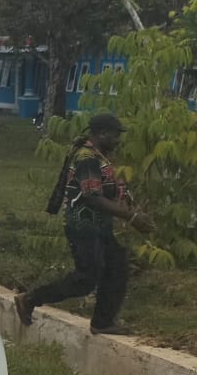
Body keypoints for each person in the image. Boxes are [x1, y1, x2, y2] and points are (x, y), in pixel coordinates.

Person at [16, 112, 151, 335]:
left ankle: (102, 322)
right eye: (115, 136)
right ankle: (30, 299)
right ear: (101, 134)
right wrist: (131, 217)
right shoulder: (86, 158)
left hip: (99, 226)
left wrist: (128, 203)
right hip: (83, 227)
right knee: (86, 278)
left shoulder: (98, 156)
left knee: (117, 268)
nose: (118, 140)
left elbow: (108, 189)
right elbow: (92, 197)